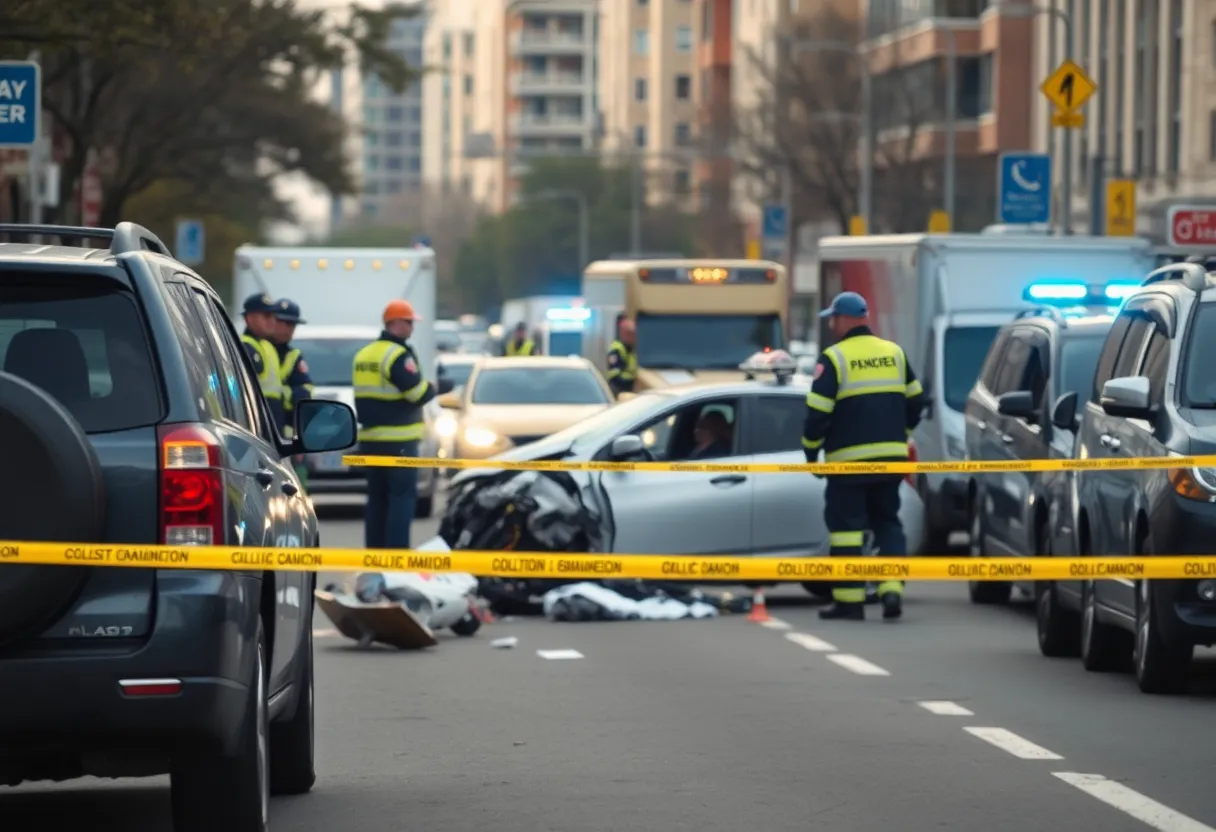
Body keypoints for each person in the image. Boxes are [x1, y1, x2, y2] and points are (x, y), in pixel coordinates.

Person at [802, 291, 923, 622]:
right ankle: (892, 590)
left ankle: (849, 602)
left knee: (846, 531)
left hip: (848, 464)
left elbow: (817, 413)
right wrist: (904, 433)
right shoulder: (893, 353)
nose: (832, 324)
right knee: (888, 523)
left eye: (833, 318)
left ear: (843, 319)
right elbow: (916, 400)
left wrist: (811, 452)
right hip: (891, 460)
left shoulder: (834, 358)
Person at [352, 299, 436, 550]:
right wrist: (433, 388)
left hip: (370, 440)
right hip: (399, 442)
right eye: (409, 322)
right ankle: (397, 559)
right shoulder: (398, 355)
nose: (412, 328)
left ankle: (375, 556)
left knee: (376, 499)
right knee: (401, 499)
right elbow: (416, 394)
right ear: (395, 323)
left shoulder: (364, 354)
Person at [272, 299, 315, 482]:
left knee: (297, 488)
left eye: (293, 325)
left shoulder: (293, 355)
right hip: (263, 432)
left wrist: (283, 396)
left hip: (289, 435)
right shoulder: (254, 349)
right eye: (286, 323)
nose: (290, 329)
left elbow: (304, 393)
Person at [240, 293, 286, 435]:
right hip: (257, 425)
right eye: (266, 316)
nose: (272, 321)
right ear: (248, 318)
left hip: (273, 425)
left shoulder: (267, 346)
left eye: (273, 316)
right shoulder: (245, 346)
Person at [606, 318, 637, 398]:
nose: (633, 337)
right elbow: (615, 374)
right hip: (619, 388)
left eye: (634, 334)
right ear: (623, 334)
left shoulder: (631, 348)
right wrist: (632, 381)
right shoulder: (616, 349)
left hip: (629, 388)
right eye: (630, 334)